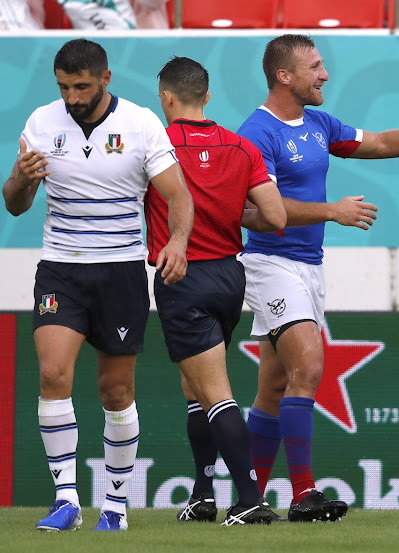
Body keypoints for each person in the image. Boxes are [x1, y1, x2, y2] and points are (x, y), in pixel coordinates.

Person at [177, 33, 399, 523]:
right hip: (271, 266)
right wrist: (331, 211)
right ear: (285, 76)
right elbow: (256, 215)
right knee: (310, 367)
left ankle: (247, 499)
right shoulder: (257, 134)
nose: (324, 75)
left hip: (309, 267)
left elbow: (379, 142)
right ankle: (303, 493)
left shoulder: (318, 123)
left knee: (274, 387)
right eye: (315, 66)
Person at [2, 39, 193, 531]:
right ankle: (66, 500)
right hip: (61, 270)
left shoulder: (142, 123)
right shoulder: (41, 123)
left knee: (115, 390)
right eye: (64, 87)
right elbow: (15, 203)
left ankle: (115, 505)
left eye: (81, 86)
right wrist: (22, 179)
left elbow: (178, 195)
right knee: (52, 376)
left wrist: (177, 241)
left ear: (106, 79)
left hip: (121, 271)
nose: (71, 96)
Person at [145, 56, 287, 525]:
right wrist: (228, 216)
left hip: (182, 277)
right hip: (230, 277)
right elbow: (274, 217)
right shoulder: (241, 146)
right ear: (207, 96)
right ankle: (202, 493)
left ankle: (250, 500)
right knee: (196, 389)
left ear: (166, 97)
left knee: (215, 393)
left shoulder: (157, 144)